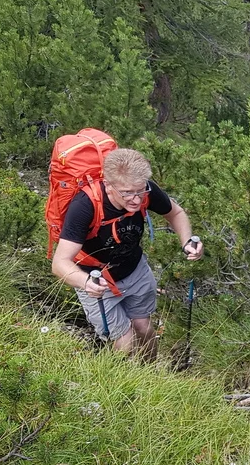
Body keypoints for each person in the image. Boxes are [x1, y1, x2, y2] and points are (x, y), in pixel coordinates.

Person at [51, 148, 203, 356]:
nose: (136, 200)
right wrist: (85, 282)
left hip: (134, 270)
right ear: (108, 185)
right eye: (127, 193)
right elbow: (60, 263)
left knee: (145, 329)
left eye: (140, 191)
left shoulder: (144, 189)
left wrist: (186, 241)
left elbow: (175, 212)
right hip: (96, 279)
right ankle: (124, 384)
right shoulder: (86, 206)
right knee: (125, 342)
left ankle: (151, 377)